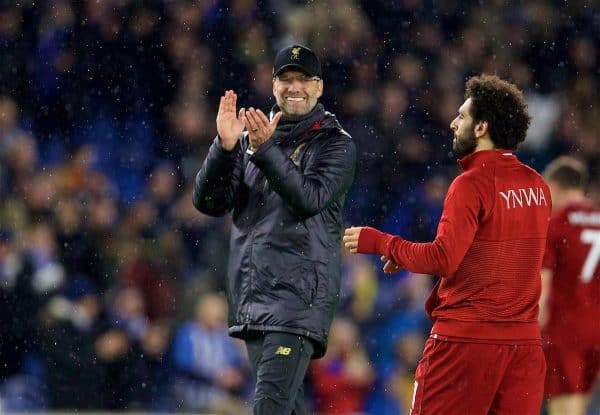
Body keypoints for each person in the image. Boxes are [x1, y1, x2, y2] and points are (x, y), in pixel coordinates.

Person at [343, 74, 552, 415]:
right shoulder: (538, 186)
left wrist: (383, 243)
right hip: (524, 348)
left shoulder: (470, 184)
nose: (454, 123)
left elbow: (443, 259)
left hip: (466, 344)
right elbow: (497, 257)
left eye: (463, 116)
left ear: (482, 127)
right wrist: (412, 258)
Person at [192, 44, 356, 415]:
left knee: (269, 408)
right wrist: (226, 146)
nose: (294, 87)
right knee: (288, 408)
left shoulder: (336, 144)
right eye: (286, 79)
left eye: (303, 80)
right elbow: (209, 203)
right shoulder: (251, 139)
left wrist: (265, 151)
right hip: (254, 299)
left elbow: (308, 199)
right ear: (273, 85)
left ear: (319, 88)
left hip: (297, 302)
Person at [540, 156, 600, 415]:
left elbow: (543, 281)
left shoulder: (557, 223)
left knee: (565, 407)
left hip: (565, 329)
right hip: (595, 329)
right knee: (581, 404)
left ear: (554, 186)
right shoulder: (598, 218)